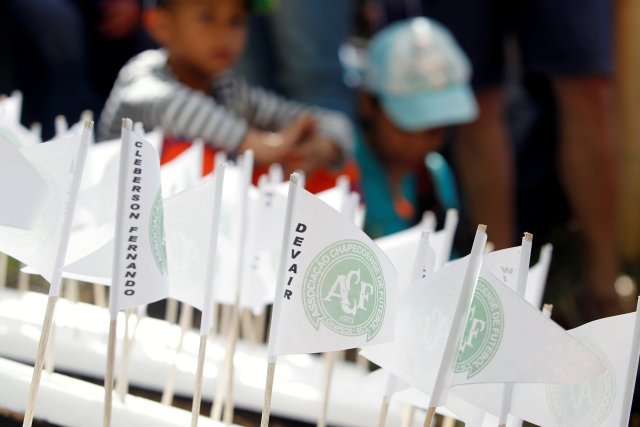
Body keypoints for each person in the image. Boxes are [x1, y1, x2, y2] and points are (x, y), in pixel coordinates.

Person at [98, 0, 353, 173]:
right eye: (207, 17)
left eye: (236, 21)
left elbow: (330, 120)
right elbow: (166, 103)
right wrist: (258, 145)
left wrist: (326, 143)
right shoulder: (142, 74)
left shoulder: (230, 90)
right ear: (161, 24)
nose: (224, 34)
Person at [355, 17, 477, 238]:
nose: (421, 143)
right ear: (367, 103)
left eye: (435, 130)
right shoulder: (342, 170)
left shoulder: (435, 173)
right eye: (408, 126)